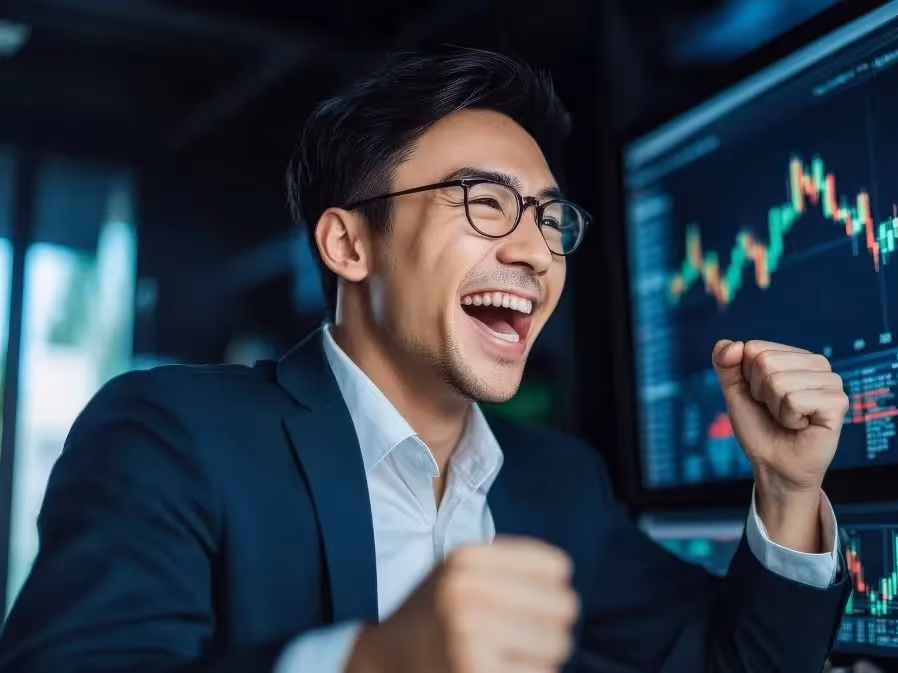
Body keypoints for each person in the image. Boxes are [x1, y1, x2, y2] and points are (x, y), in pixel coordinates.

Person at [0, 48, 851, 673]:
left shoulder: (559, 484)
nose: (536, 252)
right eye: (485, 202)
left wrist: (787, 487)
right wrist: (367, 662)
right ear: (349, 244)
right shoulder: (170, 433)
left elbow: (733, 662)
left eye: (550, 219)